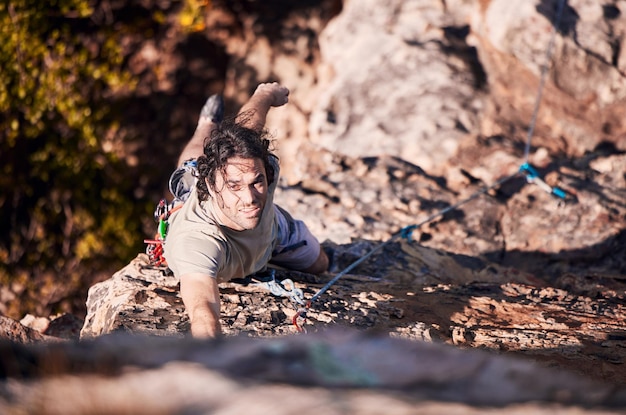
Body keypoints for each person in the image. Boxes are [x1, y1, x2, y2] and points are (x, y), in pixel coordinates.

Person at [163, 83, 329, 338]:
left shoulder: (258, 166)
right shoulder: (195, 242)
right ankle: (206, 126)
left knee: (320, 264)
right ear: (212, 184)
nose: (250, 198)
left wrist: (265, 95)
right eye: (234, 186)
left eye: (256, 182)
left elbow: (248, 128)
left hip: (272, 232)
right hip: (202, 204)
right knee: (192, 165)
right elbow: (202, 310)